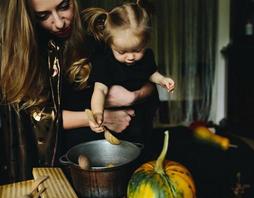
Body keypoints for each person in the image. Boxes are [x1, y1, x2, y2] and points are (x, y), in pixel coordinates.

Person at [0, 0, 156, 184]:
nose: (59, 23)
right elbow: (35, 117)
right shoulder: (25, 51)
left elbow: (148, 77)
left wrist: (134, 96)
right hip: (66, 156)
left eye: (64, 6)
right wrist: (102, 117)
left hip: (123, 149)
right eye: (43, 16)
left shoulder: (99, 28)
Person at [81, 1, 174, 133]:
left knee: (145, 142)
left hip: (143, 112)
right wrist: (97, 113)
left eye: (137, 50)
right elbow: (100, 90)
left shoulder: (147, 56)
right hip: (118, 117)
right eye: (122, 52)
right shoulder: (105, 61)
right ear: (110, 44)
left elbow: (151, 73)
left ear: (146, 42)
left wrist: (162, 80)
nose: (130, 57)